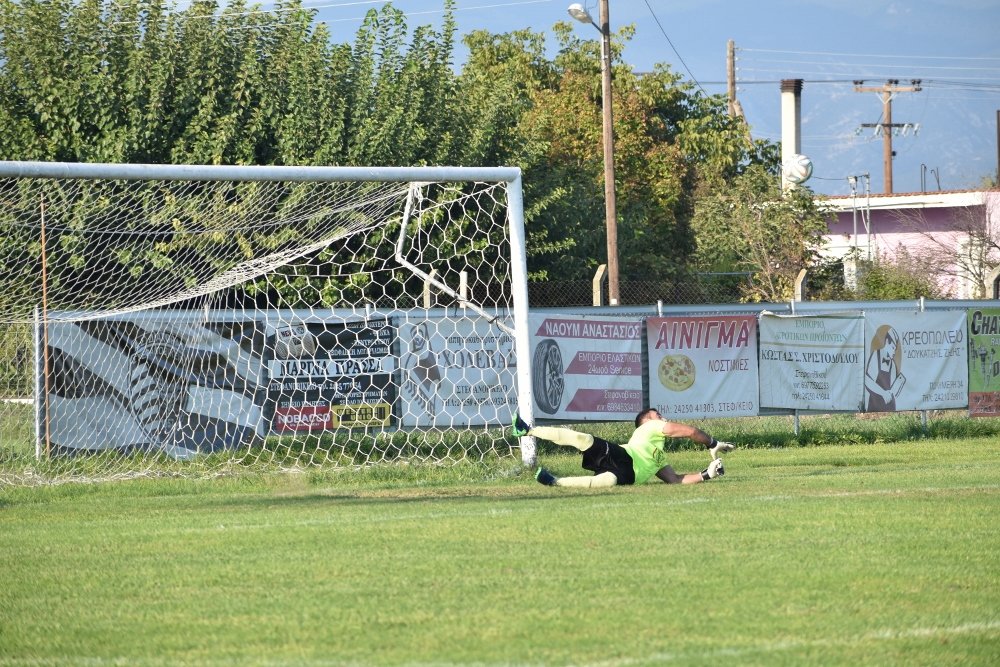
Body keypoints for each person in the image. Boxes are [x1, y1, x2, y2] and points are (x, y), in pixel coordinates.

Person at [512, 408, 734, 488]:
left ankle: (554, 482)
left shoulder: (659, 454)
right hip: (622, 456)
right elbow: (691, 431)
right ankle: (527, 430)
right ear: (647, 421)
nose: (663, 417)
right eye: (657, 415)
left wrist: (706, 475)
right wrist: (713, 443)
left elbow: (674, 480)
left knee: (605, 482)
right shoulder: (650, 428)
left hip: (628, 476)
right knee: (584, 439)